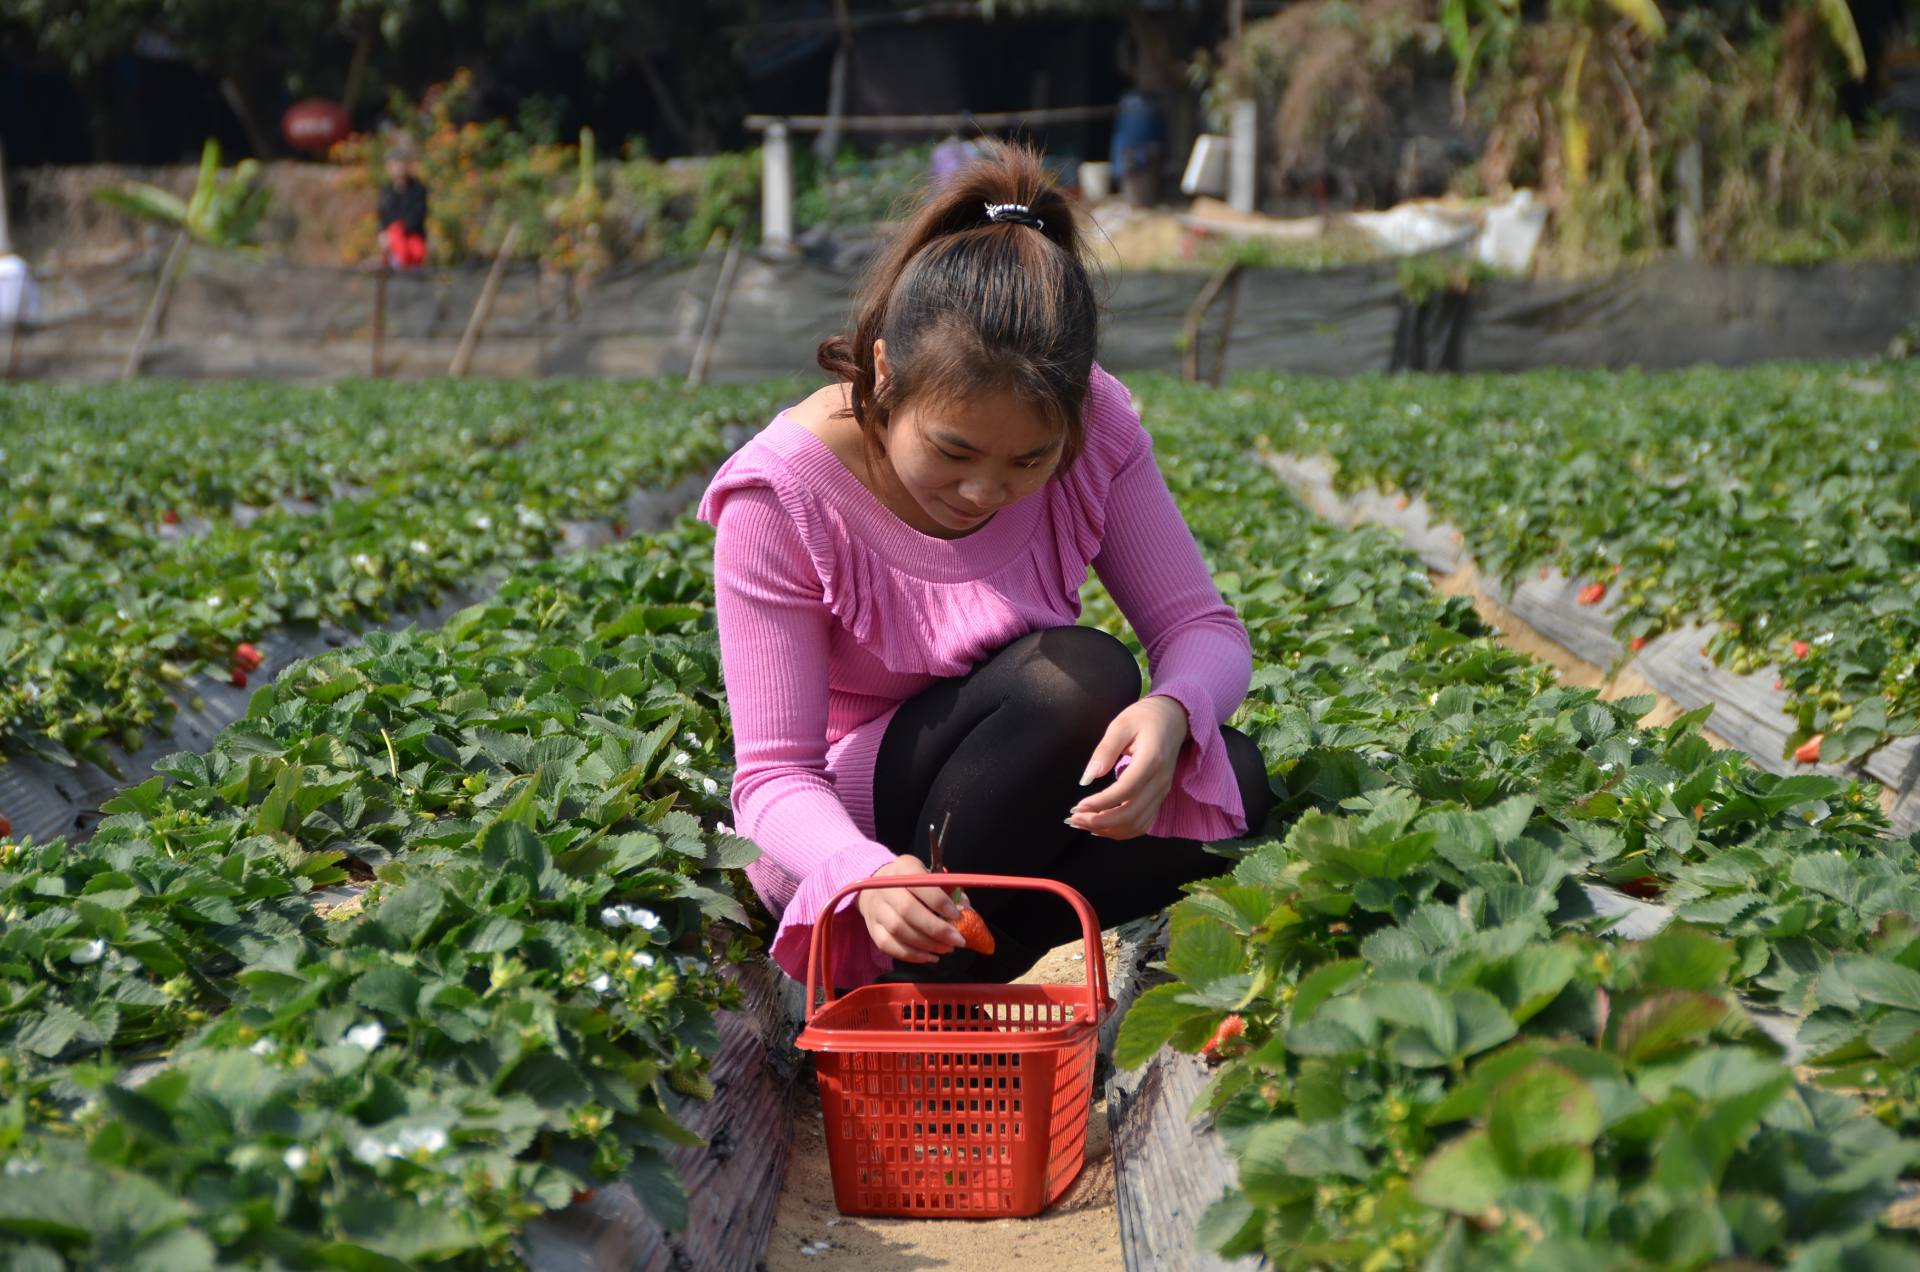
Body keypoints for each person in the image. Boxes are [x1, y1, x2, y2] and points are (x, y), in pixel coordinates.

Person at [697, 142, 1274, 990]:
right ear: (887, 371)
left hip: (1017, 794)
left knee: (1238, 782)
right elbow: (774, 778)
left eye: (1029, 462)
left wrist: (1175, 714)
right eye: (954, 450)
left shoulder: (1097, 425)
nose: (985, 491)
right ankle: (888, 975)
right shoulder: (781, 495)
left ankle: (940, 987)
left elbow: (1201, 627)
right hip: (858, 828)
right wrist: (862, 871)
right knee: (1076, 676)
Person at [376, 141, 429, 272]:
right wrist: (384, 234)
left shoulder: (418, 189)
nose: (398, 167)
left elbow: (417, 217)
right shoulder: (386, 191)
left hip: (412, 245)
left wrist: (397, 231)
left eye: (401, 163)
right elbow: (383, 217)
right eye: (394, 163)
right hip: (393, 246)